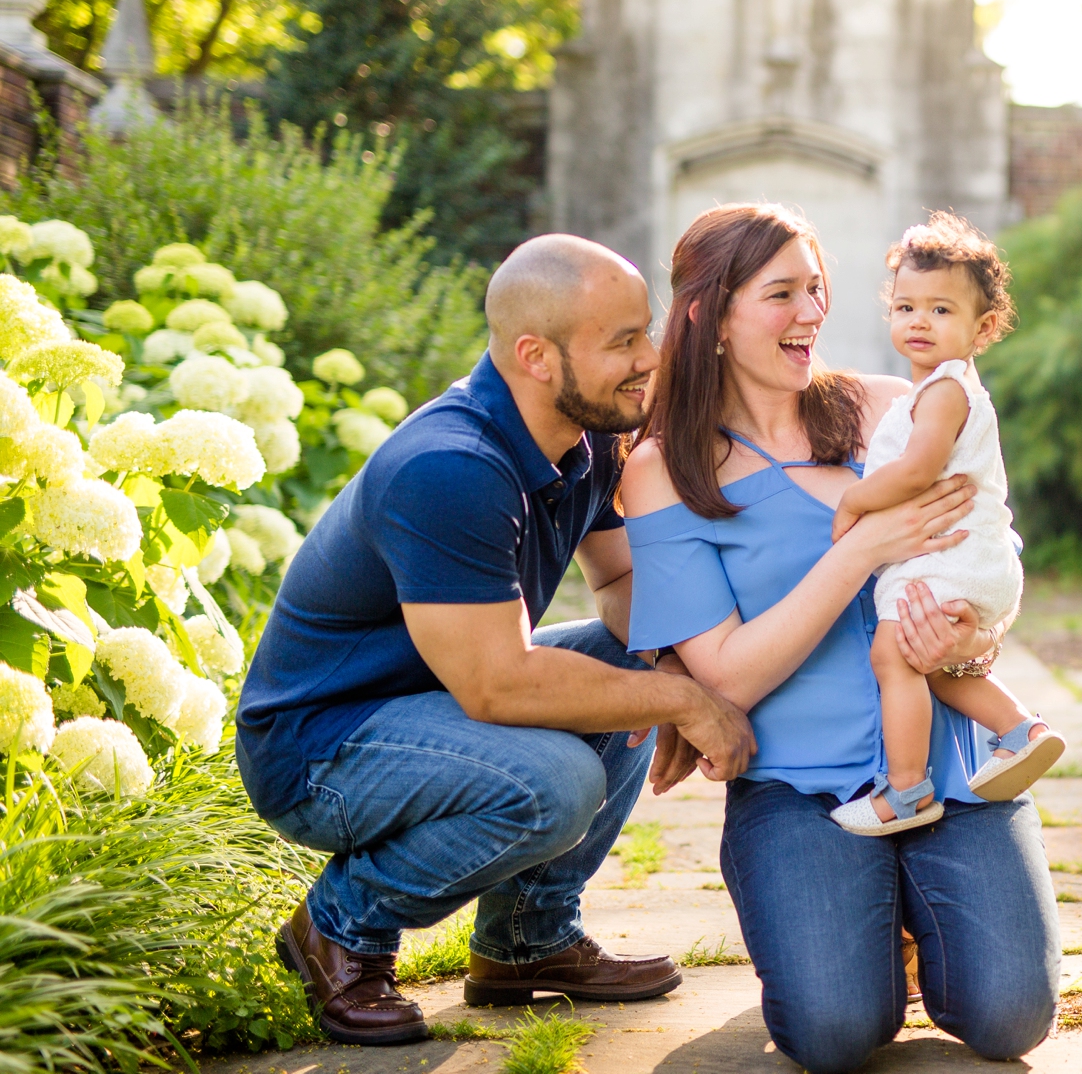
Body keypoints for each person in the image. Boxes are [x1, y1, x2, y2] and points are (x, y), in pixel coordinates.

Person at [234, 234, 756, 1047]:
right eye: (622, 341)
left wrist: (676, 665)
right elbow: (498, 687)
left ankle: (527, 941)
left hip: (425, 709)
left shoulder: (585, 443)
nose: (649, 358)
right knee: (555, 784)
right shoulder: (451, 467)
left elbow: (620, 588)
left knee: (638, 657)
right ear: (535, 356)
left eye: (643, 332)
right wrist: (683, 699)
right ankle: (339, 931)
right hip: (318, 750)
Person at [619, 203, 1061, 1074]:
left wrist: (966, 643)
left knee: (1011, 1017)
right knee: (833, 1034)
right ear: (711, 316)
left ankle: (905, 905)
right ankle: (858, 918)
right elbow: (727, 678)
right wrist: (861, 549)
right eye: (782, 293)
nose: (812, 312)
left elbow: (989, 556)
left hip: (950, 767)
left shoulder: (896, 411)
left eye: (816, 288)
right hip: (799, 787)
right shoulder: (664, 469)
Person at [827, 213, 1062, 835]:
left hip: (954, 556)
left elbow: (918, 469)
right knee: (931, 666)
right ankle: (1021, 730)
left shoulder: (945, 392)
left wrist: (853, 504)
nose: (919, 322)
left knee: (893, 654)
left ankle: (906, 790)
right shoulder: (937, 391)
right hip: (975, 561)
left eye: (940, 310)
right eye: (906, 307)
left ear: (983, 328)